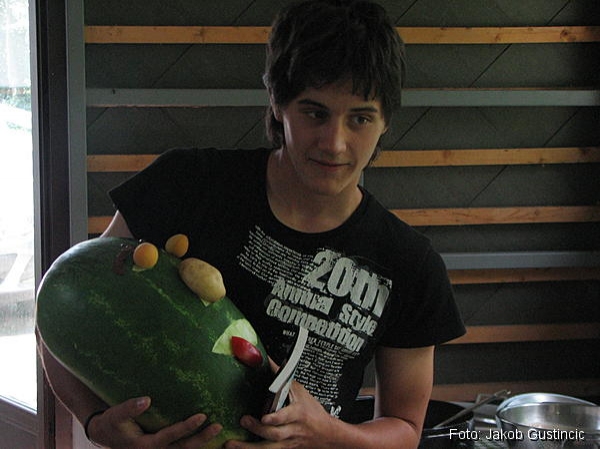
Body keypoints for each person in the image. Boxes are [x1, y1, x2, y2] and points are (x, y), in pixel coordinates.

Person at [39, 0, 465, 448]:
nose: (335, 143)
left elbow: (405, 428)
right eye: (315, 113)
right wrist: (94, 422)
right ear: (278, 104)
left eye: (360, 118)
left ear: (385, 122)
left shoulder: (409, 263)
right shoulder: (185, 185)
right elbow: (61, 309)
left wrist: (326, 433)